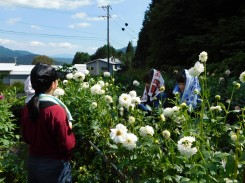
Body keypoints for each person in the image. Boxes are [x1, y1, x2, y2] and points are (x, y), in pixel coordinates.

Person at [21, 63, 76, 183]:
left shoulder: (27, 108)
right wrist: (69, 129)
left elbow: (26, 138)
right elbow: (67, 145)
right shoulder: (56, 110)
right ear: (53, 84)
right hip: (55, 168)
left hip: (34, 164)